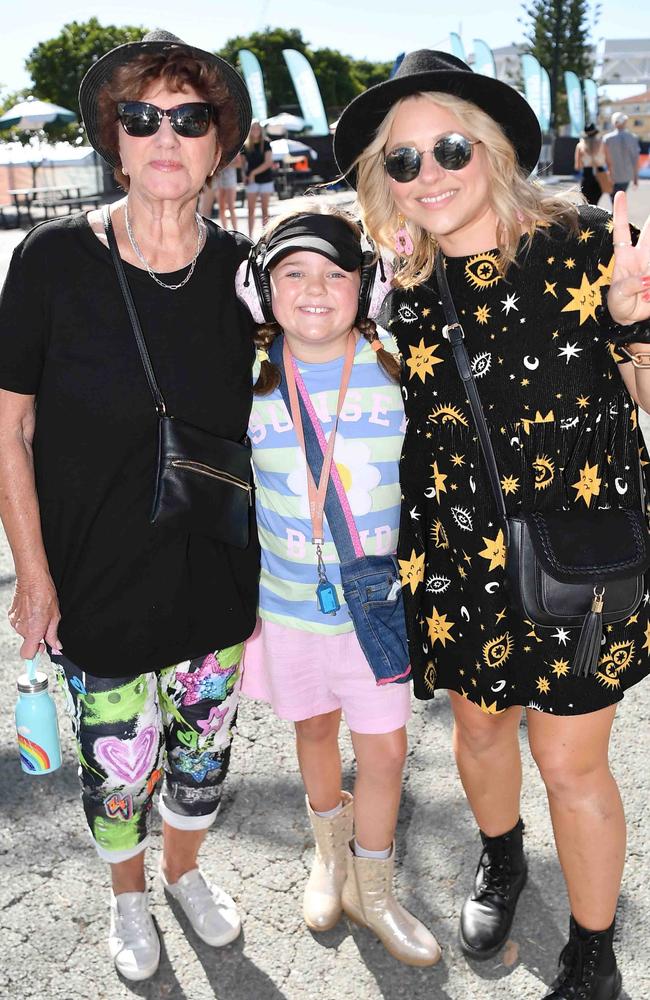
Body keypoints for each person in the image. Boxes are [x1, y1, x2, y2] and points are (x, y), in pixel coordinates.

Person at [334, 49, 650, 999]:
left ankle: (593, 956)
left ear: (499, 151)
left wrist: (637, 329)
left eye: (450, 148)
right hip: (457, 555)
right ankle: (502, 856)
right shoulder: (399, 282)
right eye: (402, 160)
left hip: (580, 552)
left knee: (568, 760)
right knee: (479, 732)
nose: (427, 172)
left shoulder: (588, 245)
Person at [0, 30, 260, 982]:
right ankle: (127, 898)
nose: (164, 135)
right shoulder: (51, 260)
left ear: (217, 143)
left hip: (213, 570)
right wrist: (32, 574)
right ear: (113, 137)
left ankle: (186, 874)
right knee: (118, 765)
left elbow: (324, 359)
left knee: (202, 757)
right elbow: (8, 429)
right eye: (140, 117)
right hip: (94, 574)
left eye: (188, 119)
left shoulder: (245, 275)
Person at [237, 203, 442, 967]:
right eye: (293, 273)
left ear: (365, 287)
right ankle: (329, 855)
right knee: (313, 730)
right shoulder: (248, 379)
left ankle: (375, 886)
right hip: (287, 609)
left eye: (335, 273)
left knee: (385, 752)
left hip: (377, 609)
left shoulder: (395, 367)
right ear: (263, 293)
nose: (314, 289)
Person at [243, 119, 274, 236]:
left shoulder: (266, 144)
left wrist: (253, 173)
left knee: (264, 210)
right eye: (253, 128)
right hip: (251, 181)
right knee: (250, 210)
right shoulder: (246, 146)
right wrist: (245, 176)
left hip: (265, 179)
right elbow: (243, 165)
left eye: (257, 128)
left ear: (261, 130)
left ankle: (265, 236)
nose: (255, 130)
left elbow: (268, 163)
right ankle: (249, 236)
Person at [199, 153, 242, 229]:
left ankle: (235, 230)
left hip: (230, 180)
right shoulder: (219, 149)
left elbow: (239, 163)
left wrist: (226, 165)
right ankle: (225, 229)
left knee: (231, 207)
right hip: (219, 180)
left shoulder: (233, 148)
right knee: (221, 208)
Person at [603, 112, 641, 195]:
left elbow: (605, 159)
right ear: (624, 122)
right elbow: (635, 159)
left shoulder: (607, 139)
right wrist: (635, 178)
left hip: (611, 176)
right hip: (626, 176)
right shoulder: (632, 137)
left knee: (614, 200)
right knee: (620, 200)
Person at [575, 123, 610, 205]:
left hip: (587, 174)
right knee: (595, 203)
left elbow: (577, 166)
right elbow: (609, 161)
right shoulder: (602, 143)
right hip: (600, 172)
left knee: (586, 203)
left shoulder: (580, 145)